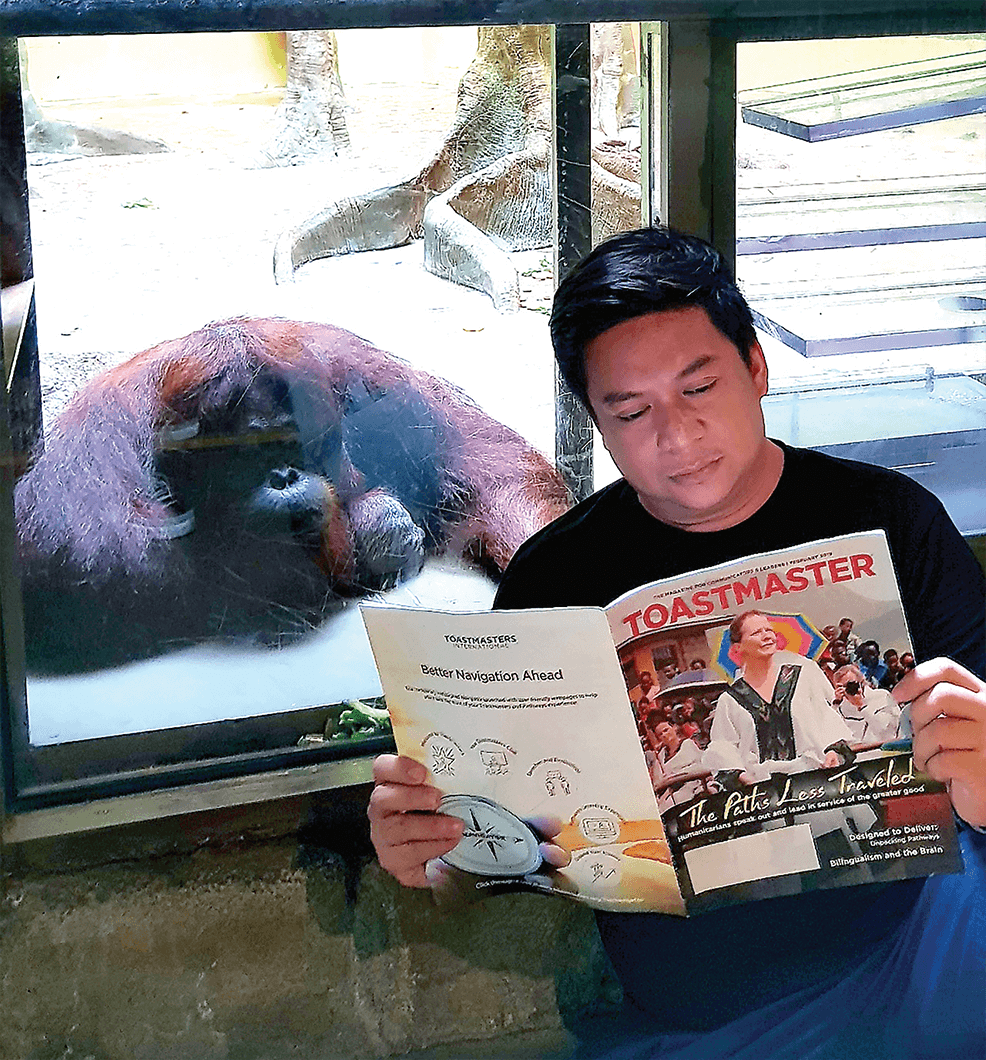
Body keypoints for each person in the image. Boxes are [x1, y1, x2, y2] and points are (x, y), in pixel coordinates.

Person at [368, 227, 986, 1059]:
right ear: (596, 420)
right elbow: (492, 864)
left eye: (701, 388)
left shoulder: (894, 521)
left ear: (757, 370)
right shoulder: (556, 578)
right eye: (631, 411)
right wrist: (433, 858)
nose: (678, 434)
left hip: (916, 947)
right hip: (703, 1015)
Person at [703, 610, 853, 782]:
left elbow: (825, 716)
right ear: (738, 647)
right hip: (762, 789)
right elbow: (723, 746)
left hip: (813, 777)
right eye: (756, 633)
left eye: (768, 630)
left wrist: (832, 750)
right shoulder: (730, 700)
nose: (766, 636)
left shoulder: (803, 675)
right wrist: (744, 777)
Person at [832, 662, 902, 743]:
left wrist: (861, 706)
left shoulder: (882, 696)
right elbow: (833, 733)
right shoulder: (841, 708)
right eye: (842, 686)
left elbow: (886, 733)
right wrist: (836, 704)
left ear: (862, 682)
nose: (849, 689)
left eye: (851, 684)